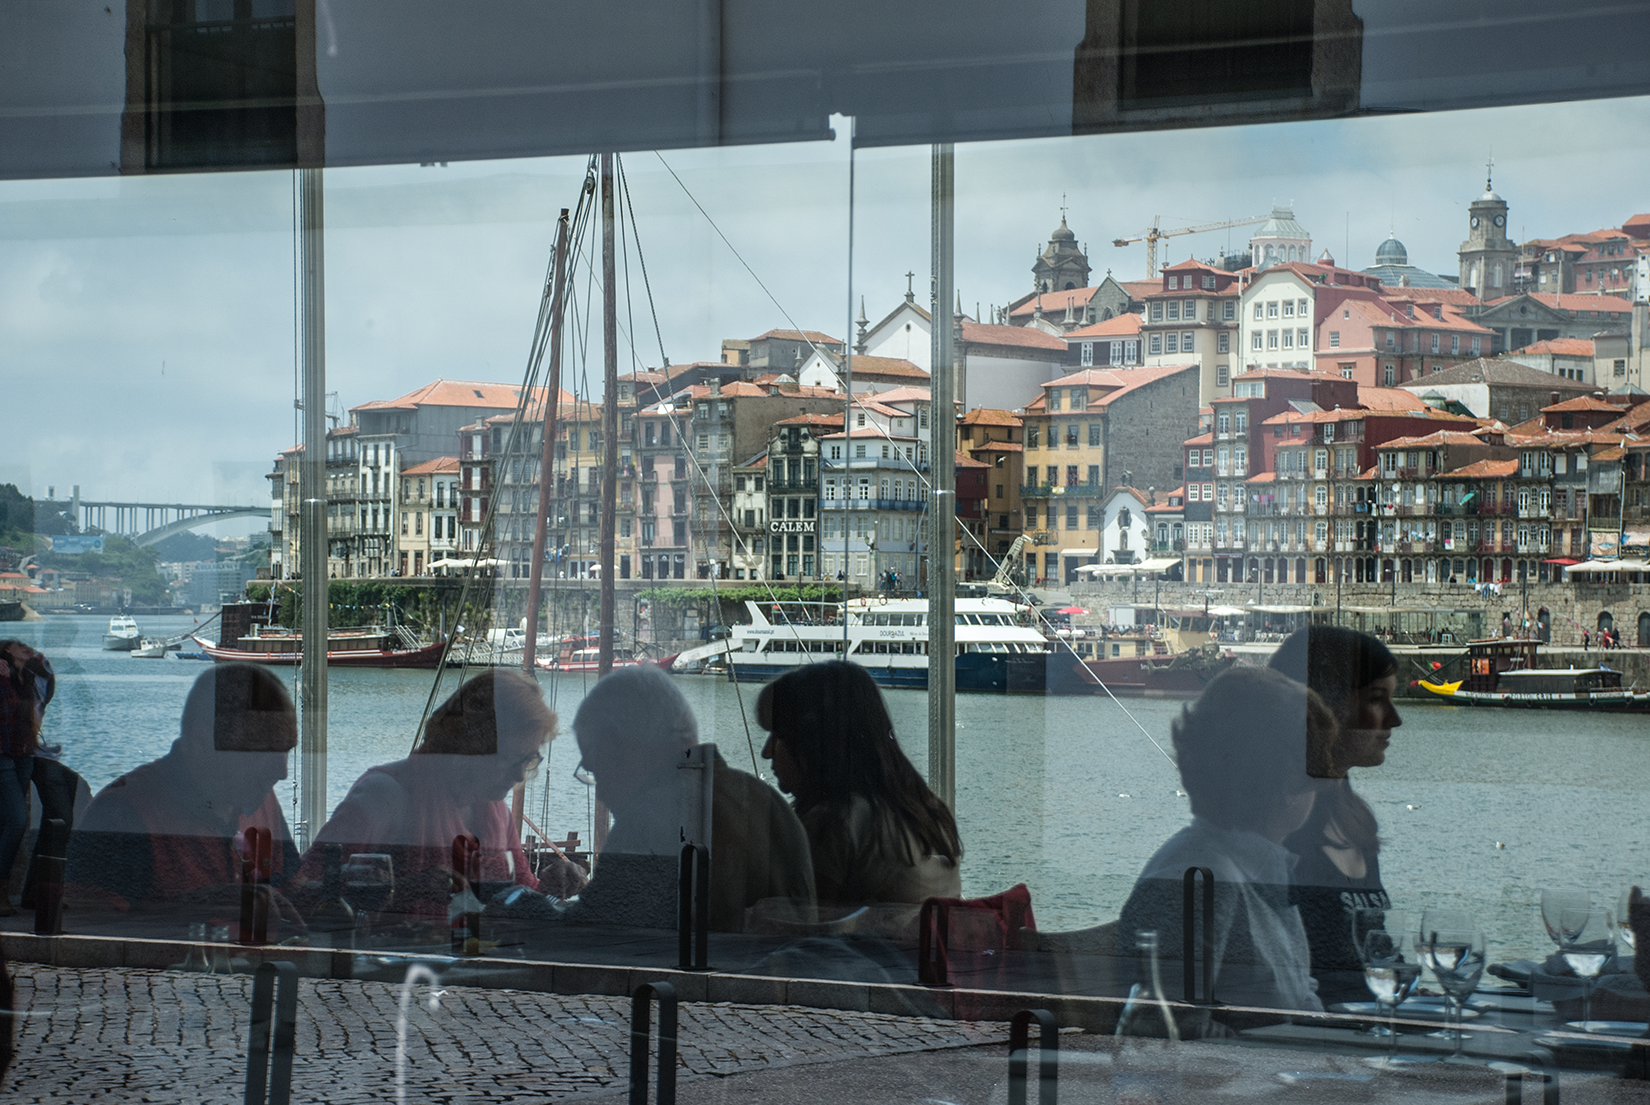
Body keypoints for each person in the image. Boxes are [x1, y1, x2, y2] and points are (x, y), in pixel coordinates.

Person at [1116, 666, 1338, 1024]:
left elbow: (1299, 995)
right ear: (1287, 786)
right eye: (1313, 769)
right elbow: (1173, 1034)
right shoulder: (1200, 882)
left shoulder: (1256, 867)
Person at [301, 669, 581, 920]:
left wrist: (551, 885)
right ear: (469, 748)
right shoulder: (384, 795)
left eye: (529, 760)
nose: (519, 776)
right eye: (509, 760)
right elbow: (302, 892)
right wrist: (406, 890)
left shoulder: (496, 811)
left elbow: (519, 892)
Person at [568, 666, 815, 933]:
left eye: (594, 769)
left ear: (614, 746)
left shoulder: (648, 822)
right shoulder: (766, 800)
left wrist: (520, 903)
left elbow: (592, 936)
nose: (601, 793)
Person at [66, 664, 303, 931]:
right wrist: (199, 904)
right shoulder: (122, 812)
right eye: (264, 752)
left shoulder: (258, 796)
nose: (282, 772)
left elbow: (290, 890)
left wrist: (332, 890)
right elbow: (82, 936)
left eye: (287, 751)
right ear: (203, 740)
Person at [756, 662, 961, 916]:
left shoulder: (832, 824)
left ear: (813, 742)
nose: (767, 752)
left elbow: (804, 932)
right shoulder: (929, 811)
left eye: (778, 736)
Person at [1267, 626, 1401, 1006]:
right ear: (1326, 706)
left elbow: (1377, 959)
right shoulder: (1282, 834)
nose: (1393, 719)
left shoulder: (1354, 821)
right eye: (1377, 700)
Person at [0, 641, 53, 916]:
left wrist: (40, 661)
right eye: (19, 644)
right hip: (3, 755)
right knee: (18, 820)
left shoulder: (28, 675)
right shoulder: (2, 675)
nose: (27, 646)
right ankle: (2, 892)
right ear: (6, 649)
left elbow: (48, 689)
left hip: (23, 755)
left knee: (6, 821)